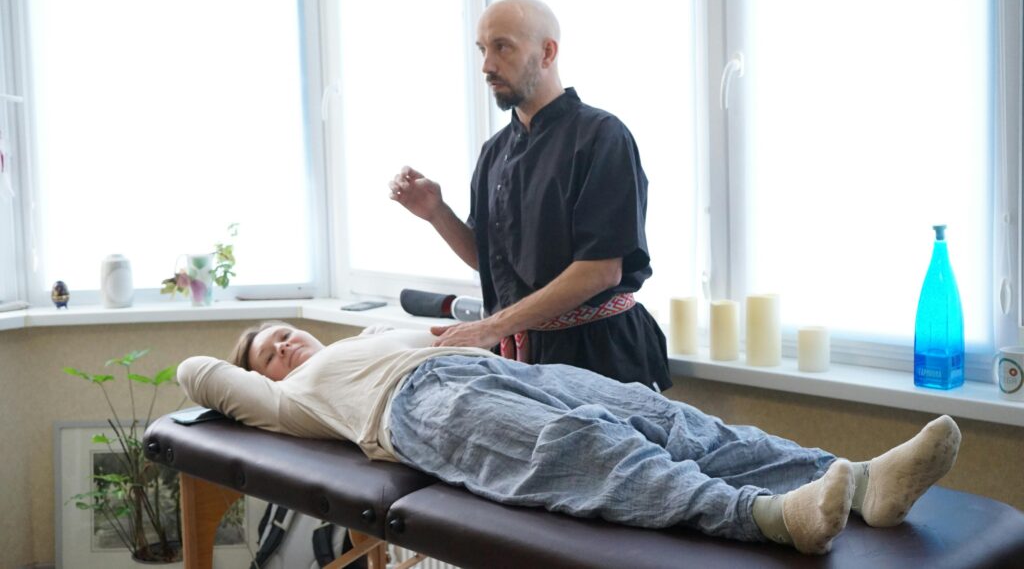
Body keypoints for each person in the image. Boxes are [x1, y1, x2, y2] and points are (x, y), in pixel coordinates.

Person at [178, 322, 962, 555]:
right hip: (416, 406)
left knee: (666, 418)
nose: (281, 346)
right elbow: (198, 370)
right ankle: (763, 515)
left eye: (284, 334)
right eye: (266, 353)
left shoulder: (371, 332)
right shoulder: (291, 400)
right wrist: (246, 364)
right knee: (591, 450)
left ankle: (858, 480)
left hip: (486, 367)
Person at [389, 0, 671, 392]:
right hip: (521, 355)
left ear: (547, 52)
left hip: (601, 357)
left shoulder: (602, 137)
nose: (487, 65)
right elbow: (492, 261)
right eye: (483, 50)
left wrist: (491, 327)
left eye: (502, 47)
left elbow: (601, 269)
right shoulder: (494, 152)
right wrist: (437, 212)